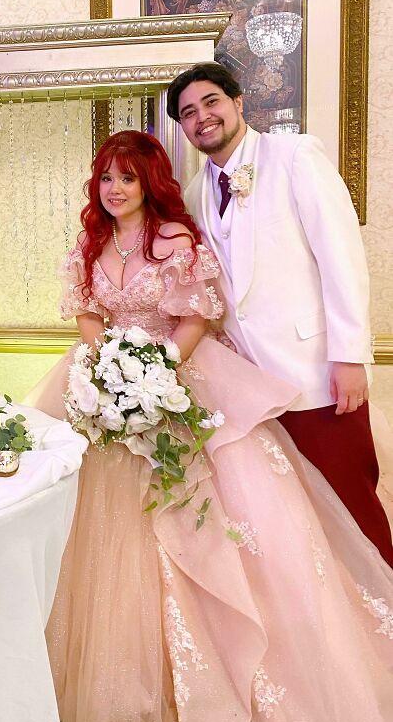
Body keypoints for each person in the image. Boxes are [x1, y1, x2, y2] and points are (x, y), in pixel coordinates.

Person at [29, 130, 393, 722]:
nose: (114, 190)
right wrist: (107, 365)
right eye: (106, 178)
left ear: (150, 184)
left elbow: (197, 315)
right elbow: (87, 311)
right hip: (106, 386)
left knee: (213, 529)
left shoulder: (173, 240)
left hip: (177, 378)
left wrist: (157, 371)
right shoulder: (91, 242)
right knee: (103, 549)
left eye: (127, 178)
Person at [166, 62, 393, 566]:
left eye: (211, 103)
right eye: (188, 113)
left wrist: (351, 357)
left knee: (353, 504)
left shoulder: (295, 156)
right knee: (298, 522)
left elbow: (342, 258)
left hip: (316, 374)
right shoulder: (194, 193)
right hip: (251, 391)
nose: (202, 117)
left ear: (238, 102)